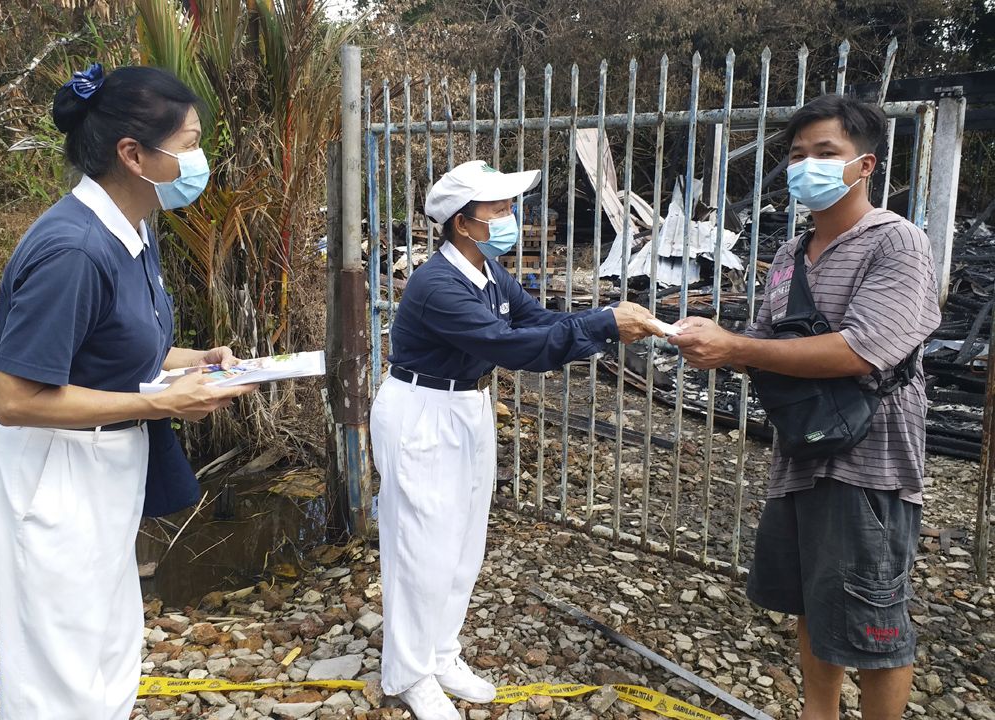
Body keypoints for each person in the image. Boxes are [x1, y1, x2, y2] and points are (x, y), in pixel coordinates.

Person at [0, 63, 255, 720]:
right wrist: (159, 401)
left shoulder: (134, 228)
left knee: (108, 645)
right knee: (59, 680)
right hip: (53, 472)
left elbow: (120, 345)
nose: (198, 159)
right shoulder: (73, 249)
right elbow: (15, 399)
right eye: (187, 143)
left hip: (103, 465)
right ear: (132, 154)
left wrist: (196, 360)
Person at [670, 95, 941, 719]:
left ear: (865, 165)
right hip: (802, 453)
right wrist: (711, 343)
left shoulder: (896, 243)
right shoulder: (791, 256)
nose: (807, 167)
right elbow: (766, 343)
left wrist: (738, 346)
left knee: (875, 624)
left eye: (826, 153)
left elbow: (864, 350)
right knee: (814, 606)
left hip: (871, 463)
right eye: (796, 155)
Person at [371, 160, 664, 720]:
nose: (512, 219)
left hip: (467, 404)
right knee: (422, 548)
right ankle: (409, 673)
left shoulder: (488, 271)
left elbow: (535, 319)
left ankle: (441, 652)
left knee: (462, 544)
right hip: (423, 410)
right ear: (462, 223)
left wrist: (601, 319)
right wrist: (604, 325)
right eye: (499, 210)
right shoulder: (438, 285)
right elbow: (512, 346)